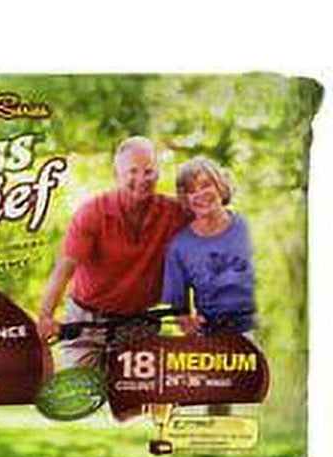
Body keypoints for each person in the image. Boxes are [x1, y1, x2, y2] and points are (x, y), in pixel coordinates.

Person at [38, 136, 187, 371]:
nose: (141, 179)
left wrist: (188, 312)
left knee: (138, 392)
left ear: (158, 174)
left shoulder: (174, 213)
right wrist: (46, 317)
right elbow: (64, 270)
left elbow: (204, 247)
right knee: (78, 389)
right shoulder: (93, 213)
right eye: (132, 172)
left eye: (148, 171)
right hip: (87, 322)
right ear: (117, 174)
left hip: (138, 322)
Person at [162, 157, 256, 336]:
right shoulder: (179, 247)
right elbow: (178, 307)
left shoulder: (248, 226)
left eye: (206, 185)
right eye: (191, 191)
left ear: (221, 186)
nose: (200, 194)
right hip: (212, 333)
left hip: (259, 328)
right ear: (185, 199)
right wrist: (188, 325)